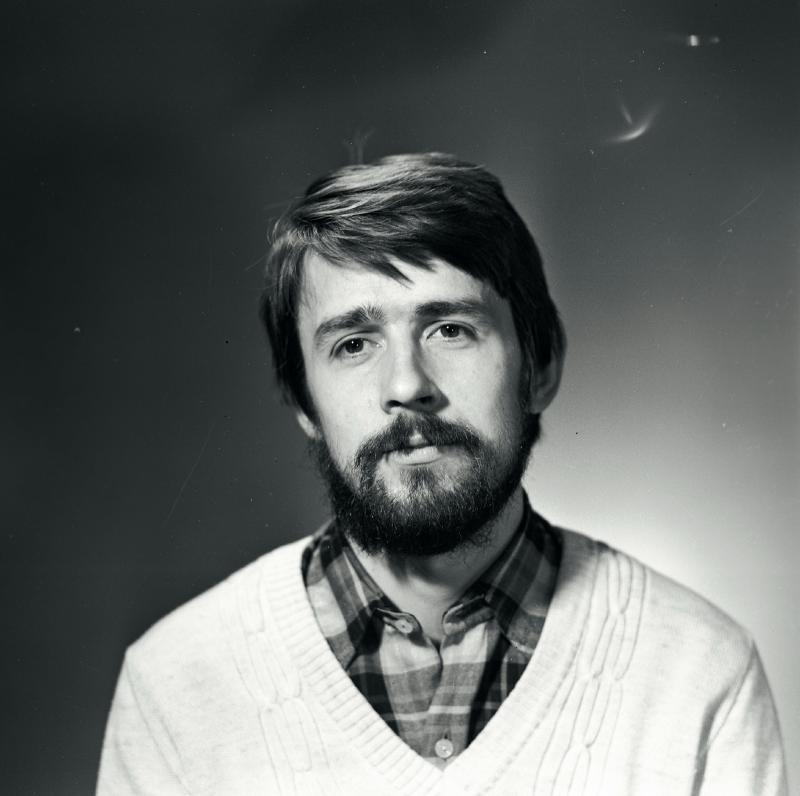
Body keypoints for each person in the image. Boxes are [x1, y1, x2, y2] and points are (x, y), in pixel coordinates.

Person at [97, 153, 787, 795]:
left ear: (540, 367)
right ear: (305, 403)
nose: (407, 385)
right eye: (353, 344)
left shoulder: (701, 672)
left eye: (451, 329)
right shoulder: (174, 685)